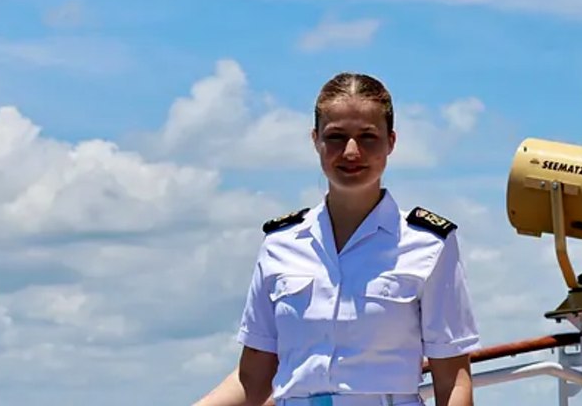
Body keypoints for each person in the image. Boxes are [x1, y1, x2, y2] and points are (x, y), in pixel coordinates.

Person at [194, 72, 480, 406]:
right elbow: (253, 379)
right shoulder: (280, 244)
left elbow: (452, 381)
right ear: (315, 140)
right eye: (336, 136)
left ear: (391, 141)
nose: (351, 151)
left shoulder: (430, 244)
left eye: (368, 137)